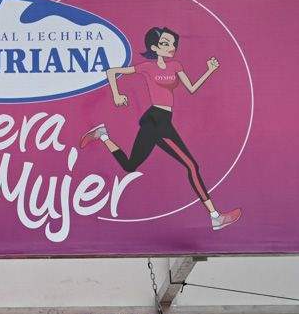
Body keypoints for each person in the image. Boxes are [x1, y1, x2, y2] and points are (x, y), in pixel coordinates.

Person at [79, 26, 243, 230]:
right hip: (156, 120)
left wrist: (209, 71)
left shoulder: (176, 65)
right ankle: (215, 217)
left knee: (130, 166)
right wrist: (116, 95)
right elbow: (112, 72)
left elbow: (191, 88)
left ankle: (102, 135)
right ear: (154, 47)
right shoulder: (147, 67)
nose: (171, 47)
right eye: (166, 44)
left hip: (163, 120)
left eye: (173, 44)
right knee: (191, 166)